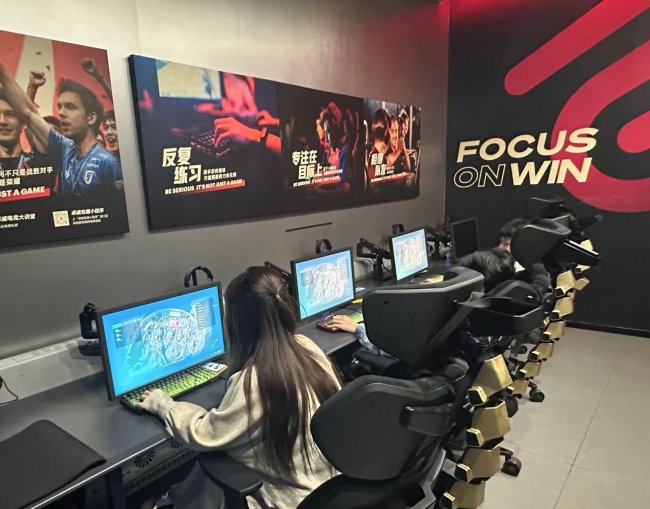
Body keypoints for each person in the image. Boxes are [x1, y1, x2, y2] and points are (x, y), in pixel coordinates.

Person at [139, 266, 342, 509]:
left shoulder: (255, 381)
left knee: (214, 460)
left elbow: (204, 434)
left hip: (296, 500)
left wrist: (163, 405)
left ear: (238, 323)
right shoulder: (307, 346)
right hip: (331, 484)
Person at [0, 63, 123, 197]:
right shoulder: (65, 149)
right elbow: (28, 113)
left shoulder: (108, 163)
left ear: (91, 118)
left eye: (70, 107)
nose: (61, 113)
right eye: (60, 107)